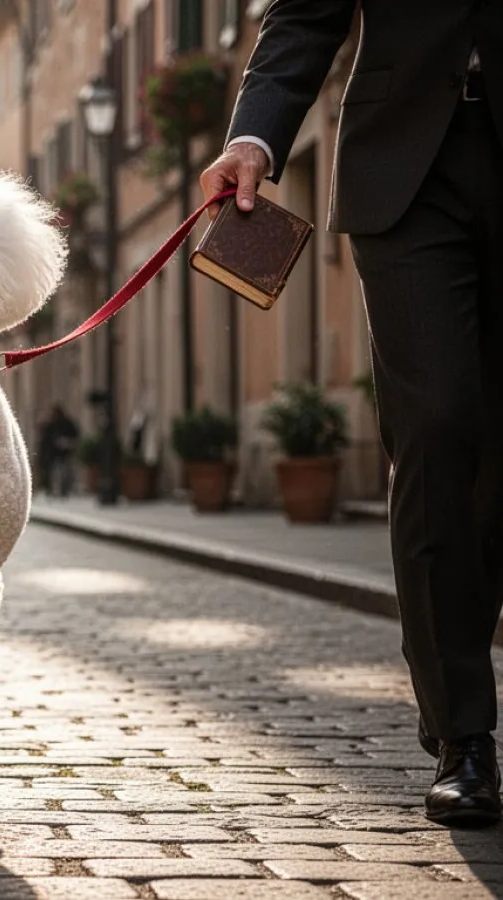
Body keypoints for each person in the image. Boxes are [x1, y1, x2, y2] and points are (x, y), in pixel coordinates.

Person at [200, 2, 502, 827]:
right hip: (405, 168)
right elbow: (305, 10)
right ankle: (463, 734)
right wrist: (256, 136)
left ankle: (457, 688)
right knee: (437, 425)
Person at [40, 405, 80, 498]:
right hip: (55, 454)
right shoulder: (51, 425)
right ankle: (57, 490)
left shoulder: (65, 424)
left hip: (65, 453)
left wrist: (67, 442)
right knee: (57, 473)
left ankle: (64, 490)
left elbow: (74, 435)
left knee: (65, 472)